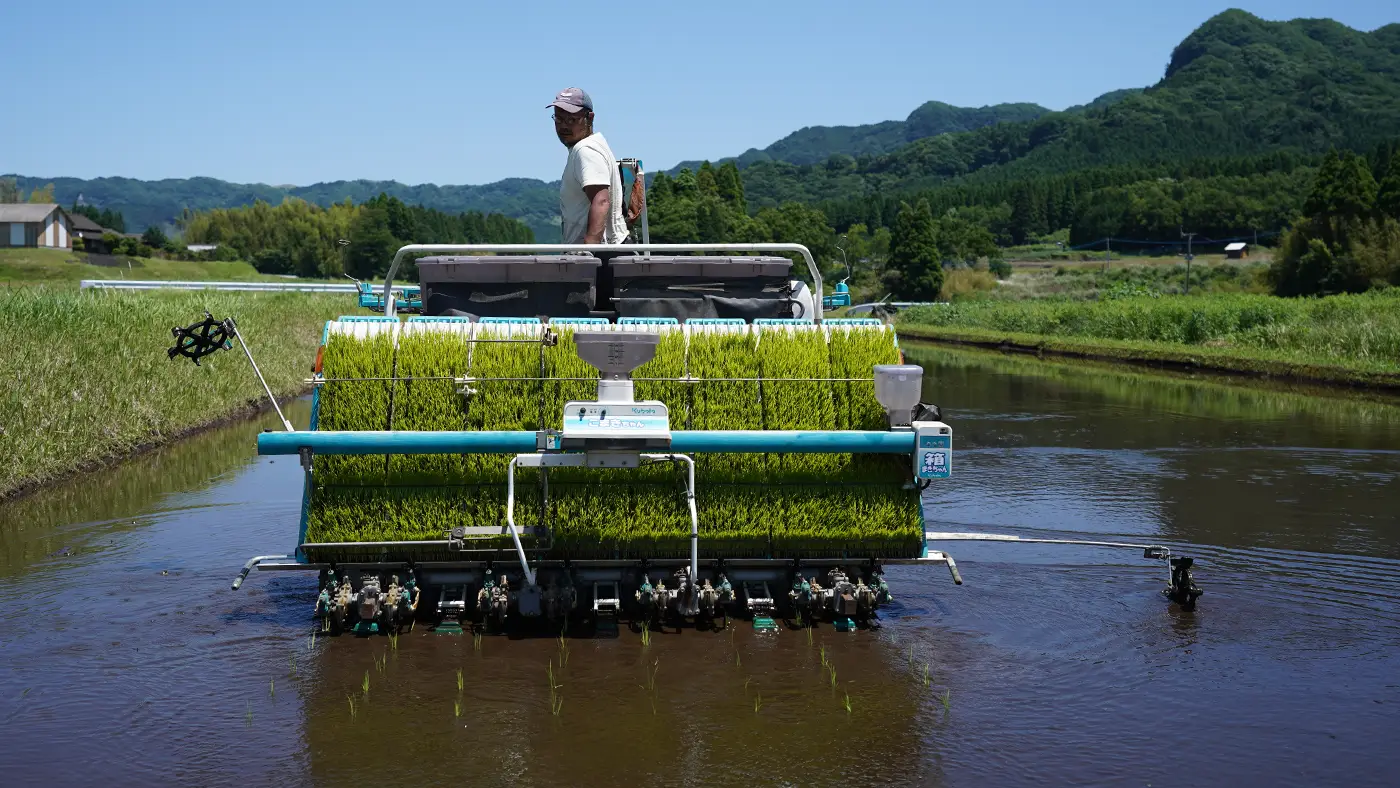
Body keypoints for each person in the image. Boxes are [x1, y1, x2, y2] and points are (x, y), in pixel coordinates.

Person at [549, 87, 628, 246]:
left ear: (589, 118)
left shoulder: (585, 150)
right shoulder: (596, 144)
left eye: (571, 120)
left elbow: (601, 200)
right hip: (613, 249)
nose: (563, 126)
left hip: (602, 256)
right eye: (558, 119)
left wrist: (588, 253)